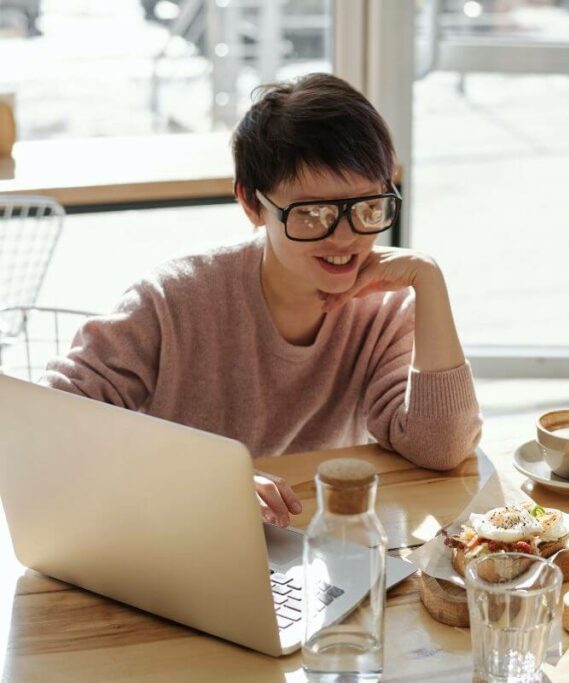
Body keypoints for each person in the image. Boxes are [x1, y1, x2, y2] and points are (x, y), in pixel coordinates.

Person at [41, 73, 482, 528]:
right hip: (179, 533)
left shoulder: (384, 309)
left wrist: (428, 281)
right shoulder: (174, 299)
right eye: (312, 214)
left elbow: (442, 449)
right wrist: (209, 480)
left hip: (314, 544)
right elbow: (50, 420)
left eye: (368, 206)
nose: (346, 237)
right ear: (252, 204)